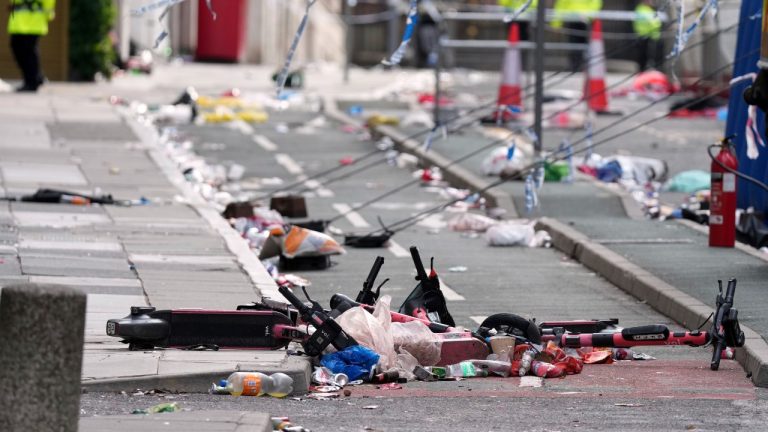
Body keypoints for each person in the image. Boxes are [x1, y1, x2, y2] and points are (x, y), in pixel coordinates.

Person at [7, 0, 56, 92]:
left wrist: (48, 14)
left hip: (34, 20)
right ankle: (36, 77)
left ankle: (32, 82)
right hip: (18, 21)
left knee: (29, 52)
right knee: (18, 49)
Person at [552, 0, 602, 72]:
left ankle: (584, 68)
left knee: (586, 46)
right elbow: (560, 5)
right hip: (571, 20)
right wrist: (556, 23)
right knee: (573, 45)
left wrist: (589, 16)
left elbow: (596, 3)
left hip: (586, 21)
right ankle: (575, 67)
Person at [633, 0, 663, 71]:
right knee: (643, 57)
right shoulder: (641, 9)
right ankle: (643, 72)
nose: (651, 2)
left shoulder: (649, 9)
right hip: (644, 36)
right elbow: (652, 22)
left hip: (652, 37)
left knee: (651, 57)